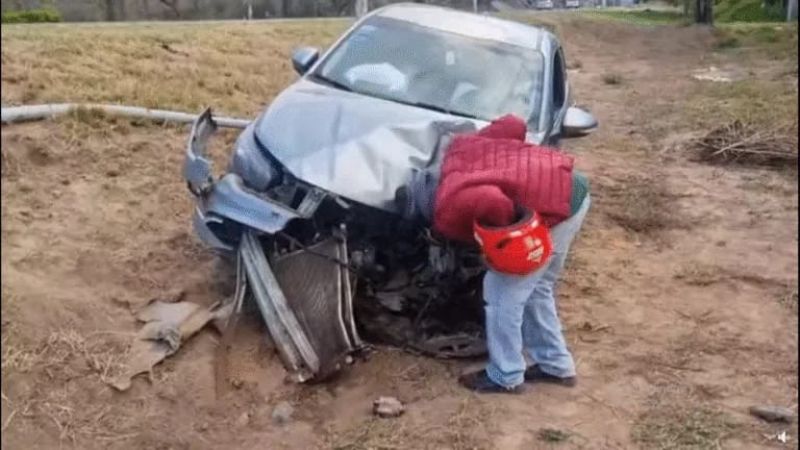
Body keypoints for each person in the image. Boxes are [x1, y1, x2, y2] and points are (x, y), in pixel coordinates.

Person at [399, 114, 590, 394]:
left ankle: (506, 375)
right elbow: (513, 124)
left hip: (553, 209)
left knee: (501, 293)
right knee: (538, 288)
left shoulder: (449, 204)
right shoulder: (458, 150)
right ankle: (555, 365)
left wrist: (498, 244)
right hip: (572, 188)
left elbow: (493, 201)